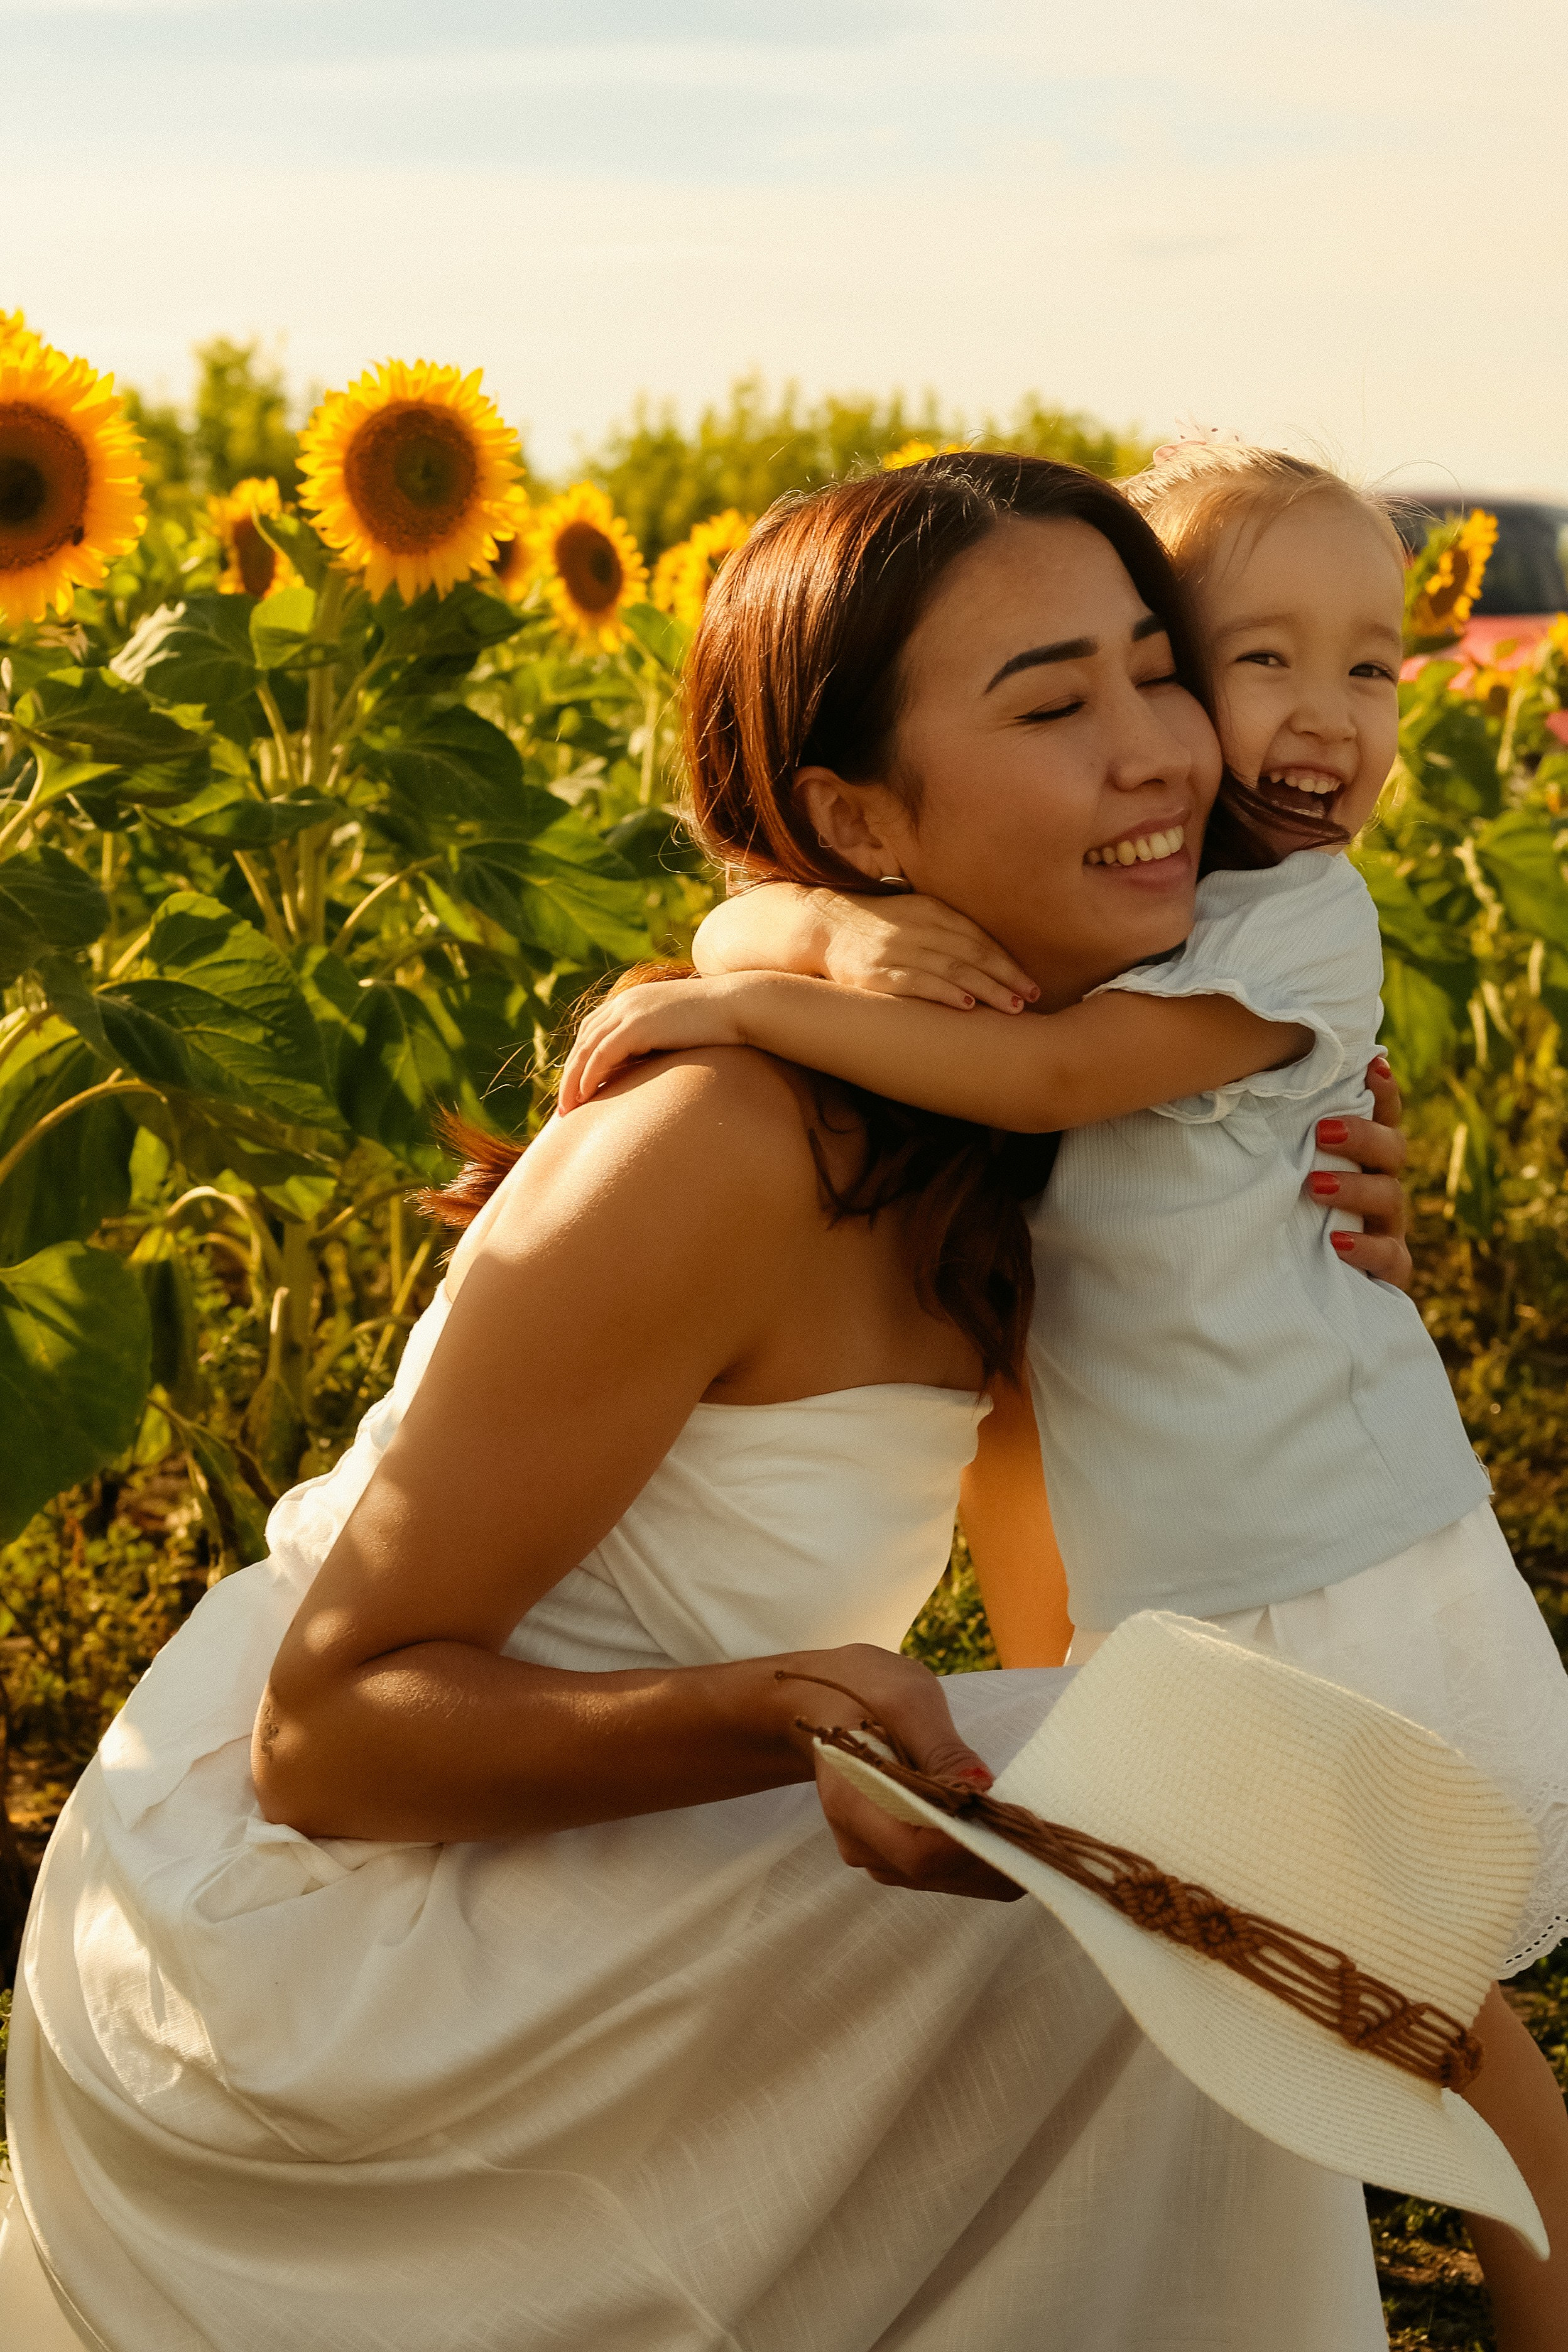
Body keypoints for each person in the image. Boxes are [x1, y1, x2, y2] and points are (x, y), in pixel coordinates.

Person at [4, 454, 1416, 2352]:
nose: (1161, 752)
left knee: (1177, 1856)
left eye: (1162, 672)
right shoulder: (720, 1148)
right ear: (852, 814)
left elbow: (1062, 1631)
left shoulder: (1054, 1142)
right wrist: (775, 1710)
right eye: (1054, 703)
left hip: (629, 1832)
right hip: (321, 1929)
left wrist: (1293, 1298)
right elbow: (327, 1738)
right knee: (1165, 1909)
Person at [561, 442, 1568, 2348]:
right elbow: (776, 899)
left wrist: (748, 1000)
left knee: (1411, 1999)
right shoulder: (1109, 894)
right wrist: (800, 937)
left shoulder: (1293, 922)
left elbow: (1039, 1088)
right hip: (1167, 1526)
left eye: (1375, 668)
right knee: (1251, 1977)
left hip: (1311, 1542)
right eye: (1250, 660)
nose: (1320, 721)